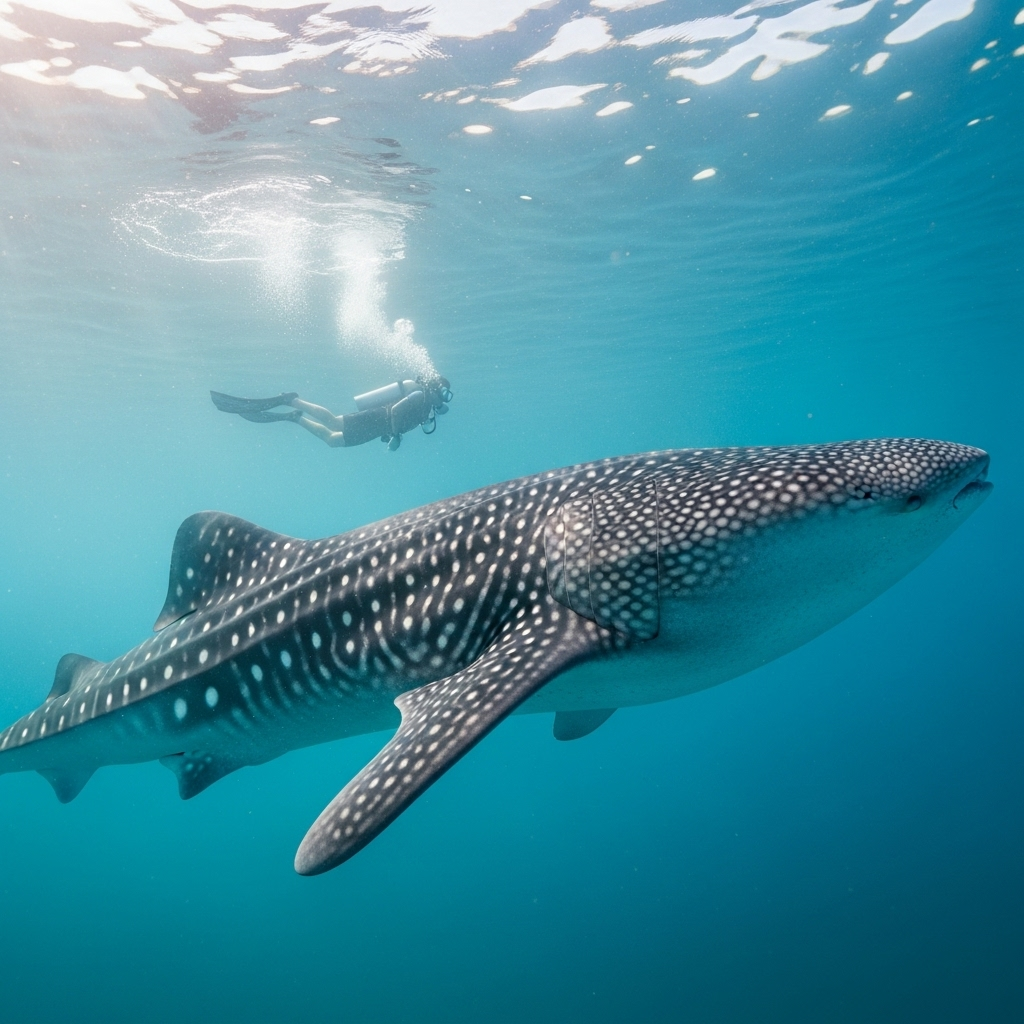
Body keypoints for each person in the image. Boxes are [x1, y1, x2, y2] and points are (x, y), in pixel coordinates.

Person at [211, 375, 452, 451]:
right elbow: (398, 410)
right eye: (444, 394)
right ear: (436, 388)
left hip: (380, 427)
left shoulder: (426, 408)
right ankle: (292, 401)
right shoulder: (420, 395)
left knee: (332, 441)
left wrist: (393, 433)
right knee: (334, 422)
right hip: (378, 418)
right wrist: (397, 435)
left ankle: (295, 418)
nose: (443, 400)